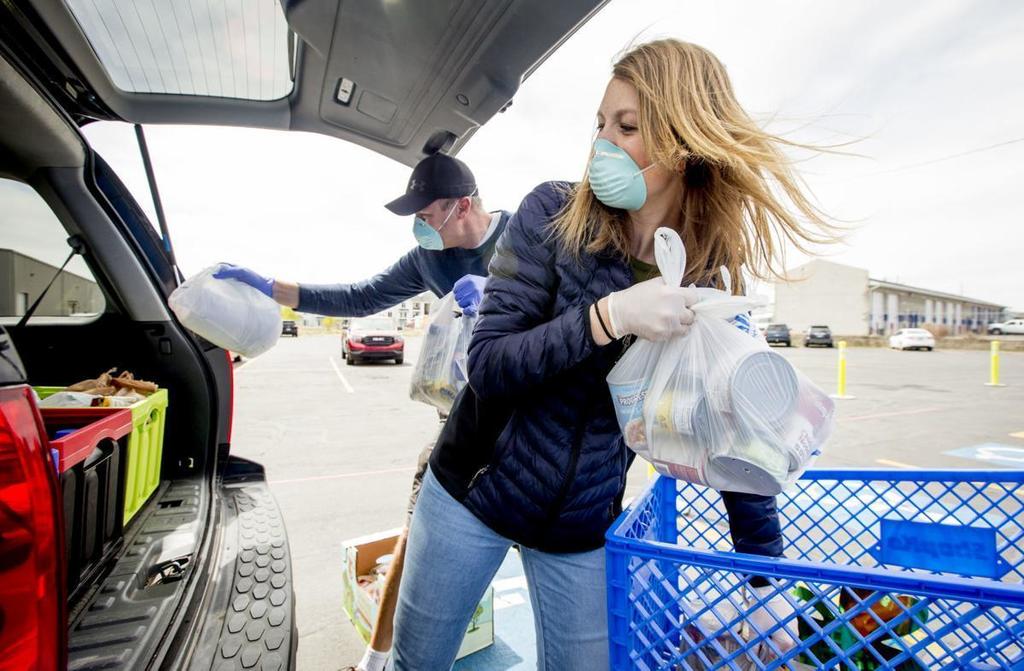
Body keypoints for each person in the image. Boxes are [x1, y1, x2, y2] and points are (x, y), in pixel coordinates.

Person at [388, 39, 838, 670]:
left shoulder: (701, 279)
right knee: (418, 663)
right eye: (600, 124)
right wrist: (607, 318)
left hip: (581, 525)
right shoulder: (550, 213)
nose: (602, 142)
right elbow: (489, 366)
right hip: (471, 494)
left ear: (683, 147)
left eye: (626, 127)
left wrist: (763, 577)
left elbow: (736, 425)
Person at [215, 152, 507, 671]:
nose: (419, 226)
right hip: (463, 421)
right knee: (418, 535)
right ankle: (375, 660)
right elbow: (361, 296)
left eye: (425, 214)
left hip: (531, 423)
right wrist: (274, 288)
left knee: (547, 543)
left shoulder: (522, 234)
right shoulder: (427, 259)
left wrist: (501, 299)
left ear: (462, 205)